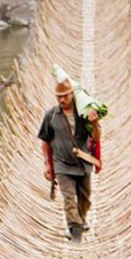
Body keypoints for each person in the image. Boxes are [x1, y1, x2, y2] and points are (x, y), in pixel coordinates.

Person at [38, 79, 101, 242]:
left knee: (85, 198)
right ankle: (75, 233)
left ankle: (80, 220)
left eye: (65, 96)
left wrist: (94, 124)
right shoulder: (51, 115)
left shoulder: (83, 114)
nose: (61, 100)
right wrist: (47, 164)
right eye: (58, 97)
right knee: (69, 198)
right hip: (62, 164)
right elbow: (45, 141)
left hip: (83, 162)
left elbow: (96, 138)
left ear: (72, 94)